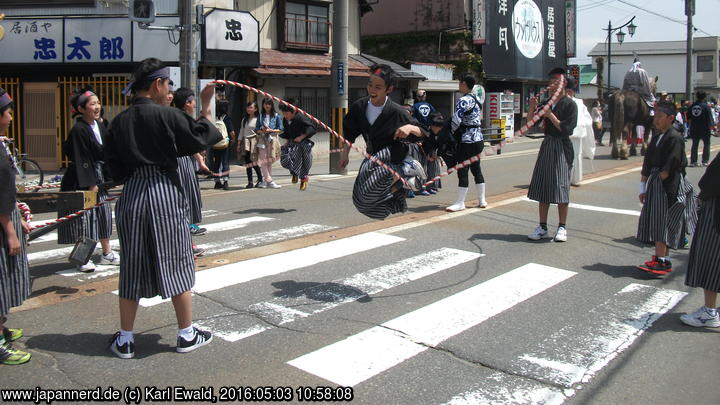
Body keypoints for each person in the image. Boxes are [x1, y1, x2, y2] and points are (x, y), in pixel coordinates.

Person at [104, 58, 221, 359]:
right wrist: (206, 108)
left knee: (131, 265)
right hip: (164, 193)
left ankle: (126, 339)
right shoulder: (167, 115)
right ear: (157, 84)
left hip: (131, 196)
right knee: (177, 260)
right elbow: (200, 138)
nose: (169, 88)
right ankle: (186, 333)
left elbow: (113, 170)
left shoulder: (119, 121)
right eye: (167, 83)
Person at [339, 64, 427, 220]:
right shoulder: (359, 107)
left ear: (389, 89)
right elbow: (350, 132)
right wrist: (344, 153)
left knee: (367, 194)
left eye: (378, 87)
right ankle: (399, 185)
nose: (372, 89)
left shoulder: (397, 111)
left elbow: (423, 132)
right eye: (370, 85)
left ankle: (405, 172)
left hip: (393, 157)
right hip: (372, 156)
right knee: (360, 201)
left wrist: (409, 128)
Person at [58, 88, 120, 272]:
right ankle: (82, 258)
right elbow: (81, 159)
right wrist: (90, 184)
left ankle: (107, 253)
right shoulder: (79, 129)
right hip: (82, 179)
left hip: (98, 176)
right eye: (92, 104)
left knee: (103, 216)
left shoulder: (99, 124)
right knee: (86, 219)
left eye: (98, 102)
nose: (97, 107)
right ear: (81, 109)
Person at [636, 101, 696, 275]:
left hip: (668, 184)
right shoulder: (656, 137)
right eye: (656, 117)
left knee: (663, 220)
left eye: (660, 117)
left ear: (670, 118)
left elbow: (671, 165)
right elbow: (647, 163)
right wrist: (643, 185)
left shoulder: (675, 137)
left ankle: (662, 260)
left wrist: (655, 183)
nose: (657, 120)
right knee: (657, 219)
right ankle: (661, 257)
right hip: (657, 181)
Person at [527, 68, 578, 242]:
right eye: (550, 82)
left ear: (563, 84)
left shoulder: (570, 104)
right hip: (548, 144)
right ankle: (542, 226)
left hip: (562, 147)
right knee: (544, 185)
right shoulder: (546, 102)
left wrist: (551, 115)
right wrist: (533, 107)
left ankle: (562, 227)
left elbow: (567, 129)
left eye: (555, 81)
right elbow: (531, 124)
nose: (551, 84)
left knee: (561, 186)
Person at [0, 88, 32, 365]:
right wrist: (10, 231)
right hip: (1, 222)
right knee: (0, 280)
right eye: (8, 112)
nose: (11, 116)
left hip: (7, 215)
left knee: (6, 279)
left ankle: (1, 328)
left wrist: (17, 219)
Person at [680, 153, 720, 327]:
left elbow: (711, 182)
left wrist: (702, 196)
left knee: (710, 257)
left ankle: (709, 311)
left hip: (716, 210)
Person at [446, 74, 486, 212]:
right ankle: (482, 200)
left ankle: (460, 202)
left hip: (467, 139)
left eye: (459, 82)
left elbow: (456, 120)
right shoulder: (476, 99)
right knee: (476, 168)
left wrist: (449, 133)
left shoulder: (463, 100)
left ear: (464, 83)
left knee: (463, 170)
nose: (458, 85)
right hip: (478, 139)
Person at [172, 88, 208, 240]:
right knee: (183, 196)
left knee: (190, 194)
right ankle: (185, 231)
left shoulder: (183, 118)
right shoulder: (179, 119)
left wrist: (199, 159)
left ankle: (188, 230)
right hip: (179, 162)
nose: (194, 104)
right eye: (193, 101)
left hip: (186, 161)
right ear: (187, 103)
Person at [279, 98, 317, 191]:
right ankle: (294, 173)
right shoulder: (285, 120)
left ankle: (304, 178)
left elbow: (311, 128)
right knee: (286, 159)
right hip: (292, 142)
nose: (285, 115)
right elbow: (287, 132)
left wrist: (301, 137)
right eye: (283, 113)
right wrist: (287, 142)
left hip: (303, 142)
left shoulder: (301, 117)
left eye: (286, 113)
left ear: (294, 110)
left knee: (306, 160)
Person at [566, 81, 596, 186]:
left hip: (564, 132)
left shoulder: (561, 101)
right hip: (578, 132)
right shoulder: (579, 102)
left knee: (564, 157)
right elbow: (588, 121)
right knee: (576, 156)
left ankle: (564, 178)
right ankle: (576, 179)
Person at [254, 98, 283, 189]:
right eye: (265, 104)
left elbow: (281, 129)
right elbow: (256, 129)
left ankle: (266, 182)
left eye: (269, 104)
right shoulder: (260, 115)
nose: (267, 106)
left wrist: (271, 130)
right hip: (262, 139)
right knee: (263, 160)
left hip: (272, 139)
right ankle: (269, 180)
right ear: (263, 105)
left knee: (270, 160)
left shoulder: (276, 115)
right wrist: (261, 130)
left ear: (271, 105)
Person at [236, 101, 263, 188]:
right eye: (248, 107)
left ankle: (260, 180)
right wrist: (239, 144)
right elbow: (241, 131)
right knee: (247, 163)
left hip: (254, 142)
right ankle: (250, 182)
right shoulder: (244, 119)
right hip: (245, 142)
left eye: (251, 107)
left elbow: (260, 132)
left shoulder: (258, 119)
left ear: (255, 109)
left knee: (254, 162)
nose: (248, 109)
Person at [209, 99, 234, 190]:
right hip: (225, 144)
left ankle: (217, 182)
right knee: (225, 162)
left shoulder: (213, 117)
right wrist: (233, 140)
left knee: (216, 162)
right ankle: (225, 181)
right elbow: (232, 132)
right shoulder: (226, 118)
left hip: (215, 144)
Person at [688, 91, 716, 167]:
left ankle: (693, 161)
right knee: (706, 144)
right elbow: (709, 118)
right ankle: (705, 161)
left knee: (695, 144)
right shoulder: (706, 106)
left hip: (694, 127)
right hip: (704, 128)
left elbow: (689, 117)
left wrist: (690, 127)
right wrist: (713, 128)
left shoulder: (692, 106)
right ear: (704, 97)